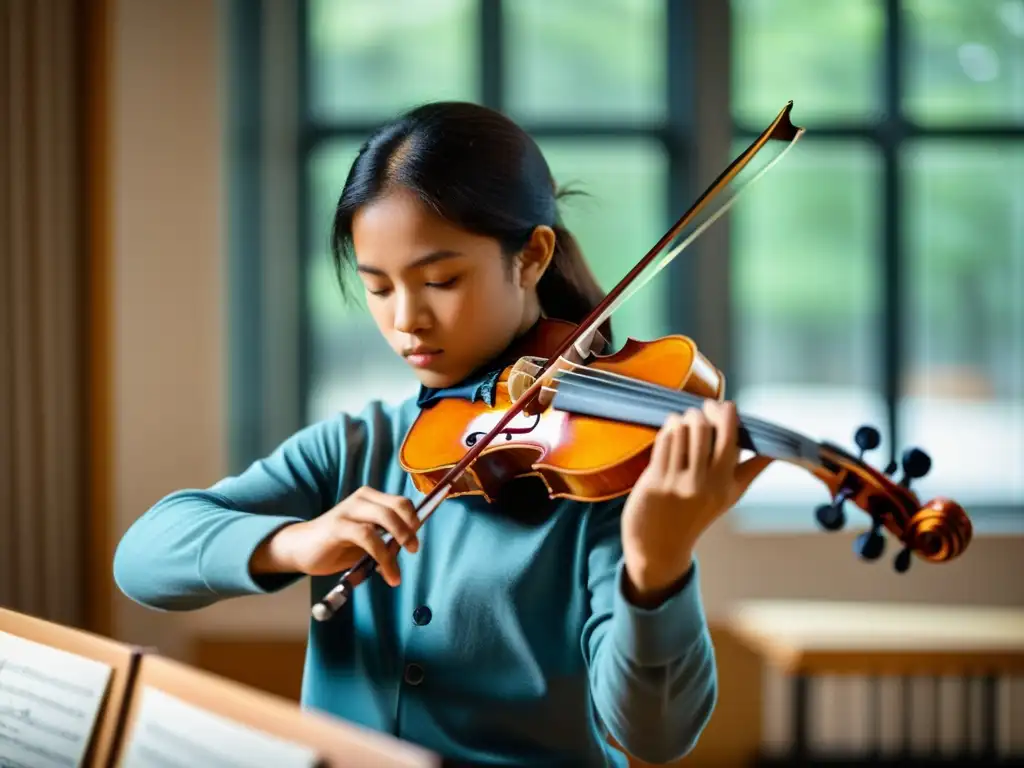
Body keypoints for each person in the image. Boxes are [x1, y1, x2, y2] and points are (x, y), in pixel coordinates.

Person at [113, 101, 771, 767]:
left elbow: (656, 735)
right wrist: (294, 542)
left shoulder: (603, 478)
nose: (407, 321)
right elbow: (143, 559)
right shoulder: (357, 447)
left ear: (532, 255)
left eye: (441, 280)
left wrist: (658, 567)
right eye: (378, 288)